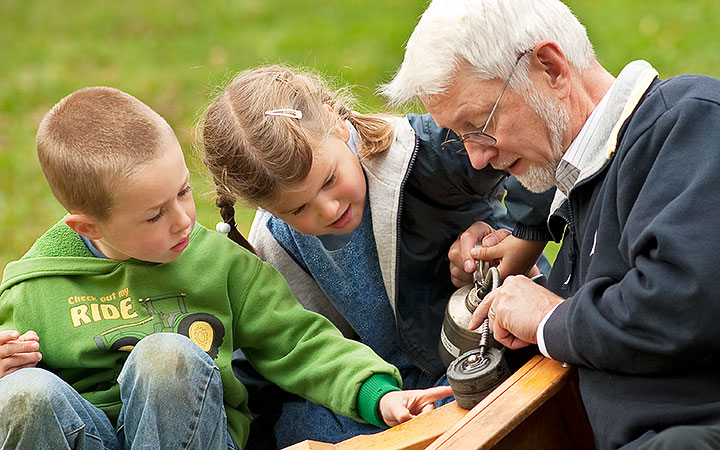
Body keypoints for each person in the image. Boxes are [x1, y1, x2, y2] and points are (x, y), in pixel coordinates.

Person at [0, 86, 454, 450]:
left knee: (167, 356)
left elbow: (299, 343)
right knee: (21, 395)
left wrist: (380, 395)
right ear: (88, 225)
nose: (183, 220)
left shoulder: (220, 266)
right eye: (155, 215)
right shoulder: (32, 289)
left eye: (182, 192)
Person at [381, 0, 720, 449]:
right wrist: (524, 304)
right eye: (459, 138)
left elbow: (681, 305)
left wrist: (547, 315)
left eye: (478, 125)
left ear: (551, 67)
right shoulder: (585, 187)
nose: (479, 157)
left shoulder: (687, 119)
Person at [199, 64, 554, 446]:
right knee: (291, 426)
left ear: (338, 124)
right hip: (383, 396)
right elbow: (276, 352)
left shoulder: (421, 153)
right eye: (298, 209)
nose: (329, 209)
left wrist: (519, 237)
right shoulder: (276, 244)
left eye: (330, 180)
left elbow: (535, 148)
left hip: (478, 353)